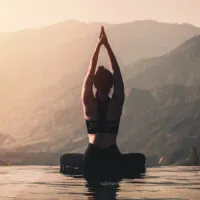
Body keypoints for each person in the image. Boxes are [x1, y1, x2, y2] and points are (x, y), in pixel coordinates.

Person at [82, 26, 125, 178]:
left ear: (94, 84)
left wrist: (98, 45)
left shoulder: (89, 103)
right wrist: (107, 45)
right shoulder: (116, 103)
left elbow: (90, 72)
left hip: (92, 156)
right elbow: (117, 72)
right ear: (111, 84)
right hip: (111, 155)